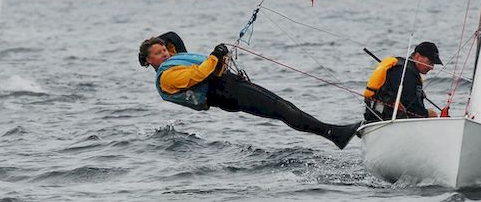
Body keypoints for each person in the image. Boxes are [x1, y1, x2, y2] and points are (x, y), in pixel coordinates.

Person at [139, 32, 362, 149]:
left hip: (228, 86)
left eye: (163, 50)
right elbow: (200, 74)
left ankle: (336, 133)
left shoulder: (174, 59)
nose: (165, 54)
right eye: (158, 54)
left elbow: (172, 38)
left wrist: (153, 43)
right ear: (149, 61)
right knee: (282, 109)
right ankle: (335, 134)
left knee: (284, 106)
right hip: (225, 93)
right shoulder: (168, 77)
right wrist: (216, 54)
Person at [363, 41, 446, 122]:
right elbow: (412, 108)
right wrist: (428, 114)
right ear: (417, 57)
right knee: (432, 115)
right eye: (430, 63)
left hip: (375, 116)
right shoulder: (407, 74)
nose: (432, 67)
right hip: (385, 121)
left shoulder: (402, 68)